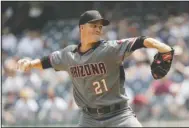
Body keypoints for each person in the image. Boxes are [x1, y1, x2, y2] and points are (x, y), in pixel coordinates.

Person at [17, 10, 173, 127]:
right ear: (81, 28)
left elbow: (140, 41)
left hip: (119, 115)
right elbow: (48, 61)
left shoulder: (110, 49)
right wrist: (31, 63)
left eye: (100, 26)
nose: (98, 29)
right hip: (88, 118)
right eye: (94, 25)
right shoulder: (69, 54)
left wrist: (163, 47)